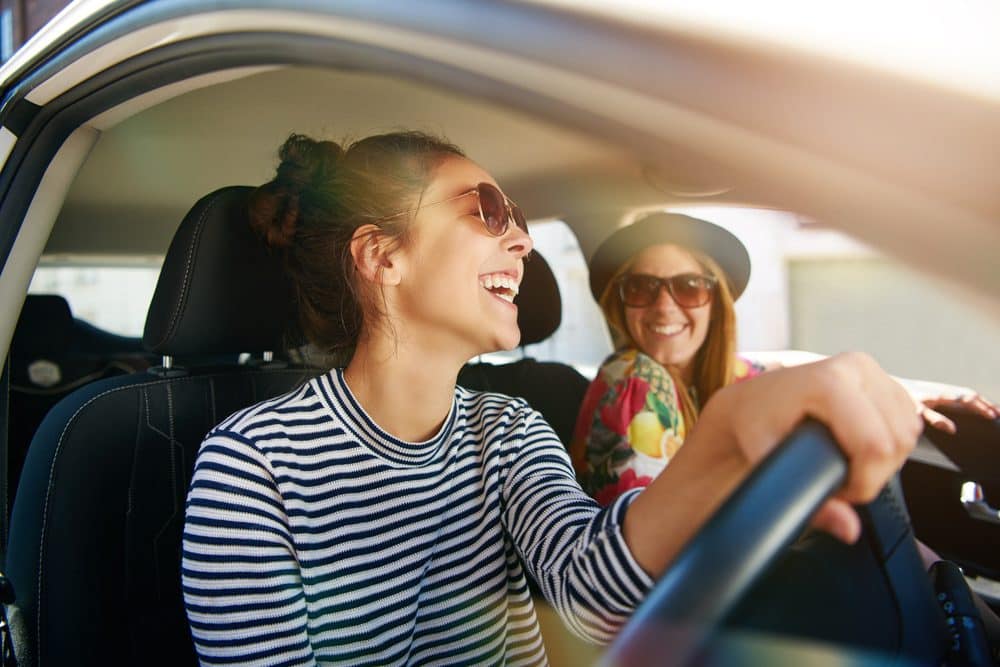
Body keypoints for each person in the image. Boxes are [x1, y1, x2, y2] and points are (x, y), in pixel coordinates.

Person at [181, 131, 922, 666]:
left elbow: (589, 591)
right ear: (383, 256)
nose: (524, 244)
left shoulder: (506, 427)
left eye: (525, 226)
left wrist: (724, 442)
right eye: (489, 210)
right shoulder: (252, 465)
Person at [571, 213, 998, 505]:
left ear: (714, 303)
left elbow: (779, 365)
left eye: (688, 287)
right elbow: (648, 552)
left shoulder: (708, 376)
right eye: (642, 288)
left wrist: (901, 387)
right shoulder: (634, 380)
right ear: (621, 304)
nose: (664, 308)